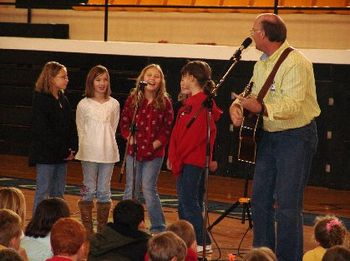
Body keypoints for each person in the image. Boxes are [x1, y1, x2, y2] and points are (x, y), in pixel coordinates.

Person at [229, 13, 321, 261]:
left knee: (288, 207)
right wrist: (237, 107)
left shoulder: (297, 63)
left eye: (253, 30)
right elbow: (249, 93)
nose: (251, 34)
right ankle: (263, 256)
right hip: (269, 137)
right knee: (260, 201)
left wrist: (262, 108)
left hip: (296, 137)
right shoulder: (262, 63)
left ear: (263, 35)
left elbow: (292, 105)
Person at [167, 60, 222, 253]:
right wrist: (173, 155)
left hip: (191, 161)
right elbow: (178, 134)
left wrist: (178, 157)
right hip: (185, 159)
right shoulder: (189, 104)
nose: (182, 81)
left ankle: (201, 240)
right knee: (186, 202)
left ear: (192, 77)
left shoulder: (202, 106)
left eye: (184, 77)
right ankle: (188, 240)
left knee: (189, 202)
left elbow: (193, 139)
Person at [120, 64, 174, 234]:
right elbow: (124, 123)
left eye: (156, 76)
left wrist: (154, 145)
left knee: (149, 188)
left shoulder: (165, 102)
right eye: (149, 75)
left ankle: (158, 227)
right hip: (134, 152)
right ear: (142, 78)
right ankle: (127, 224)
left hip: (154, 153)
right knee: (131, 188)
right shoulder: (134, 99)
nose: (152, 79)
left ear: (161, 81)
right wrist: (131, 137)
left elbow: (167, 128)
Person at [75, 65, 120, 235]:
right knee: (88, 188)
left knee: (103, 190)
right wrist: (86, 147)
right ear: (91, 81)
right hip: (88, 153)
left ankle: (101, 229)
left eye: (105, 79)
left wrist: (105, 142)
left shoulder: (114, 104)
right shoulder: (83, 104)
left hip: (108, 152)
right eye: (98, 79)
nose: (102, 83)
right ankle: (87, 229)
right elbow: (80, 128)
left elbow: (113, 127)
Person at [29, 61, 76, 212]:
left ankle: (58, 225)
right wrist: (62, 150)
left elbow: (70, 125)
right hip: (46, 154)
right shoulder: (41, 99)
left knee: (58, 193)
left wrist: (73, 148)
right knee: (43, 192)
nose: (66, 79)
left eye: (66, 76)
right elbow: (42, 131)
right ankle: (38, 226)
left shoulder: (63, 99)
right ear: (51, 79)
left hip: (61, 154)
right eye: (63, 77)